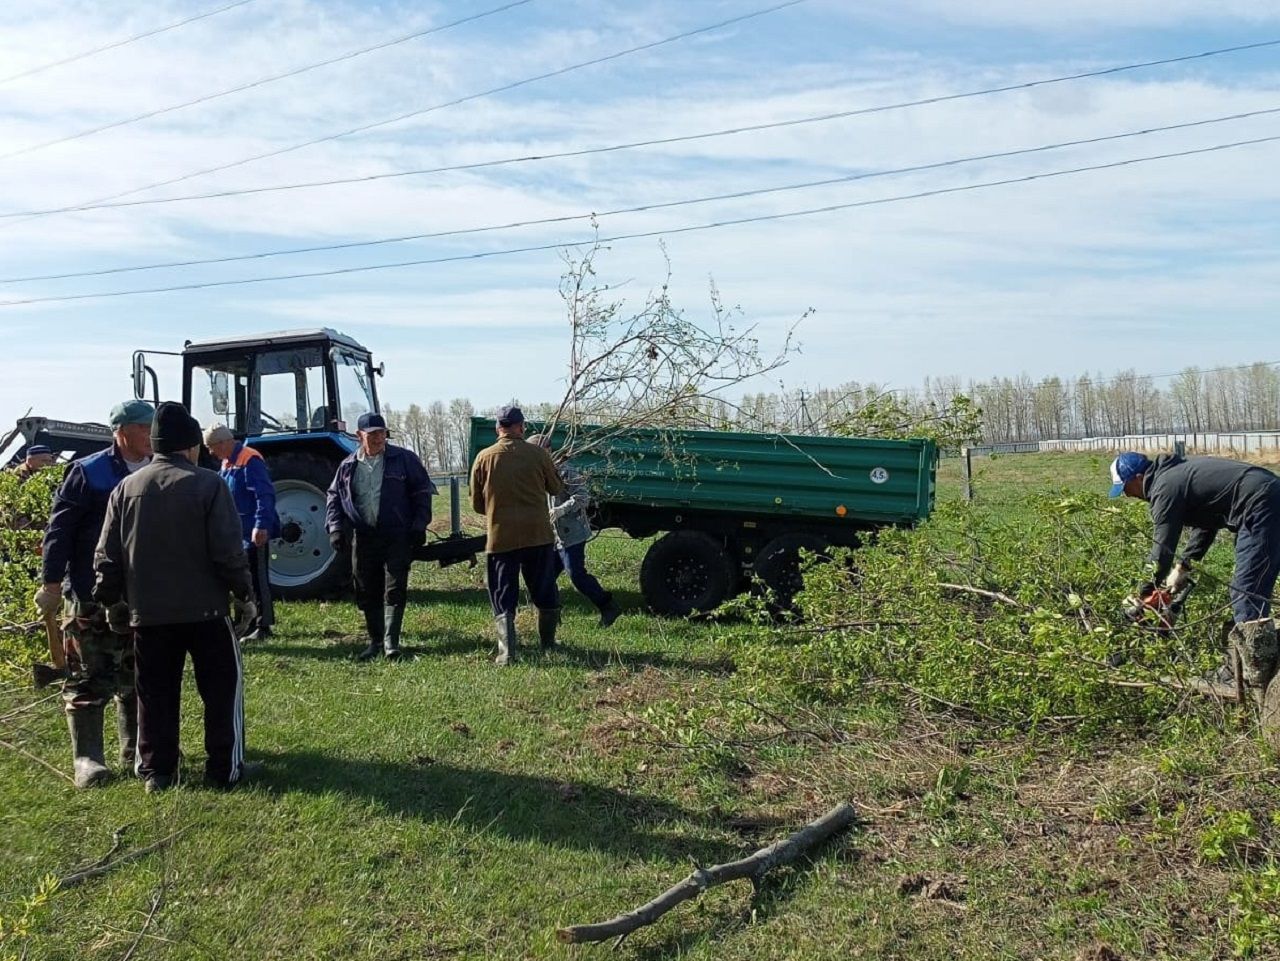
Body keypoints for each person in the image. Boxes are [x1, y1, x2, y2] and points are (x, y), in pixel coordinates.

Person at [93, 402, 256, 793]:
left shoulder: (125, 489)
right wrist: (244, 594)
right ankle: (223, 771)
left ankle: (156, 773)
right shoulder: (208, 485)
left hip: (148, 614)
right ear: (190, 446)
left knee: (154, 696)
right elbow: (228, 551)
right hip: (207, 611)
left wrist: (111, 599)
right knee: (221, 693)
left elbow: (106, 555)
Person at [35, 400, 154, 788]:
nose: (150, 434)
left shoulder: (159, 469)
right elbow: (59, 532)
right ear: (121, 431)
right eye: (143, 427)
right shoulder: (89, 473)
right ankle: (87, 759)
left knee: (138, 674)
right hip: (91, 593)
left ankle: (136, 749)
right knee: (87, 674)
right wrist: (51, 585)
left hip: (142, 594)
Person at [1111, 449, 1280, 695]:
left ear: (1138, 477)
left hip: (1260, 503)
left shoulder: (1164, 487)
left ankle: (1251, 675)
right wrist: (1184, 566)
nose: (1126, 495)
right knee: (1257, 578)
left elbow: (1162, 547)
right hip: (1268, 493)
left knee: (1246, 591)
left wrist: (1144, 593)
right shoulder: (1176, 476)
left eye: (1125, 487)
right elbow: (1207, 524)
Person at [325, 412, 435, 661]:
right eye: (372, 433)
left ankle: (391, 643)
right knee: (365, 587)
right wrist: (335, 528)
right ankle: (375, 641)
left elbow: (422, 492)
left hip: (397, 534)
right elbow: (334, 498)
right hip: (364, 536)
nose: (378, 438)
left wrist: (419, 526)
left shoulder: (404, 459)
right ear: (359, 436)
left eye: (382, 433)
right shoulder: (347, 466)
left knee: (395, 587)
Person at [470, 407, 565, 664]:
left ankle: (507, 652)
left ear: (497, 428)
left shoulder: (483, 458)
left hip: (501, 538)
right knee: (544, 589)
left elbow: (477, 505)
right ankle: (548, 644)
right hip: (538, 535)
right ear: (521, 427)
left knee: (503, 592)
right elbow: (556, 487)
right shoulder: (538, 454)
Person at [530, 434, 621, 628]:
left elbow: (583, 497)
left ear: (546, 450)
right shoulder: (539, 471)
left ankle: (608, 606)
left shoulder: (566, 470)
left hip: (572, 533)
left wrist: (561, 509)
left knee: (577, 575)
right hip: (553, 536)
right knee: (545, 579)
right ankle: (553, 615)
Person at [205, 425, 280, 642]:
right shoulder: (227, 463)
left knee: (258, 580)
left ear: (222, 443)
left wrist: (261, 525)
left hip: (253, 533)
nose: (210, 453)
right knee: (241, 580)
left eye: (211, 447)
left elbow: (264, 495)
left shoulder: (250, 460)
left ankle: (263, 625)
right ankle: (245, 624)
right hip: (237, 534)